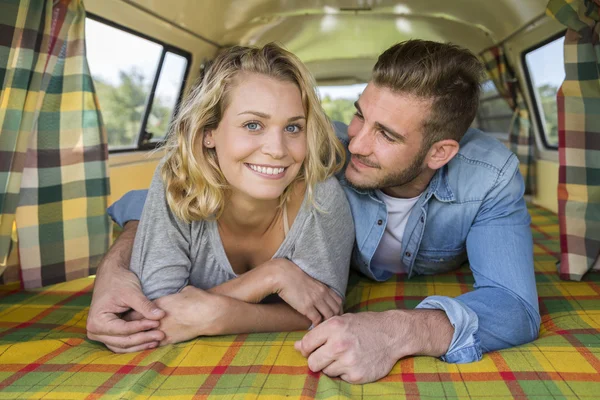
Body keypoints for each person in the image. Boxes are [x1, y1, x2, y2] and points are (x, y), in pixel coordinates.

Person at [87, 39, 540, 383]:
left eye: (387, 135)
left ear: (439, 153)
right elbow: (162, 197)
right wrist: (115, 265)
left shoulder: (490, 175)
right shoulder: (322, 150)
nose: (356, 144)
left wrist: (399, 330)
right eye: (360, 114)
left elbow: (515, 305)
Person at [86, 43, 355, 349]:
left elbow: (321, 312)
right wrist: (270, 276)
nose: (277, 149)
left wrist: (218, 315)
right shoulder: (178, 181)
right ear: (209, 132)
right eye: (253, 125)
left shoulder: (320, 198)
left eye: (293, 127)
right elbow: (149, 319)